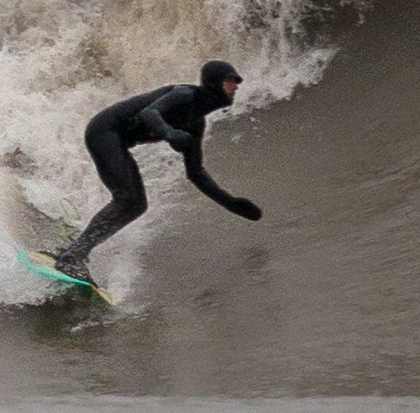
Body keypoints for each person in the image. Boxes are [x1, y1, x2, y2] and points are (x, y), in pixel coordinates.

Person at [51, 59, 263, 285]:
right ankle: (73, 256)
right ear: (214, 83)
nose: (236, 86)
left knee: (136, 204)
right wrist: (169, 133)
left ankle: (75, 251)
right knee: (129, 200)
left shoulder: (195, 124)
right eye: (231, 81)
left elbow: (195, 173)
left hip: (118, 140)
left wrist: (229, 202)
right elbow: (149, 113)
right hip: (104, 131)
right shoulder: (184, 94)